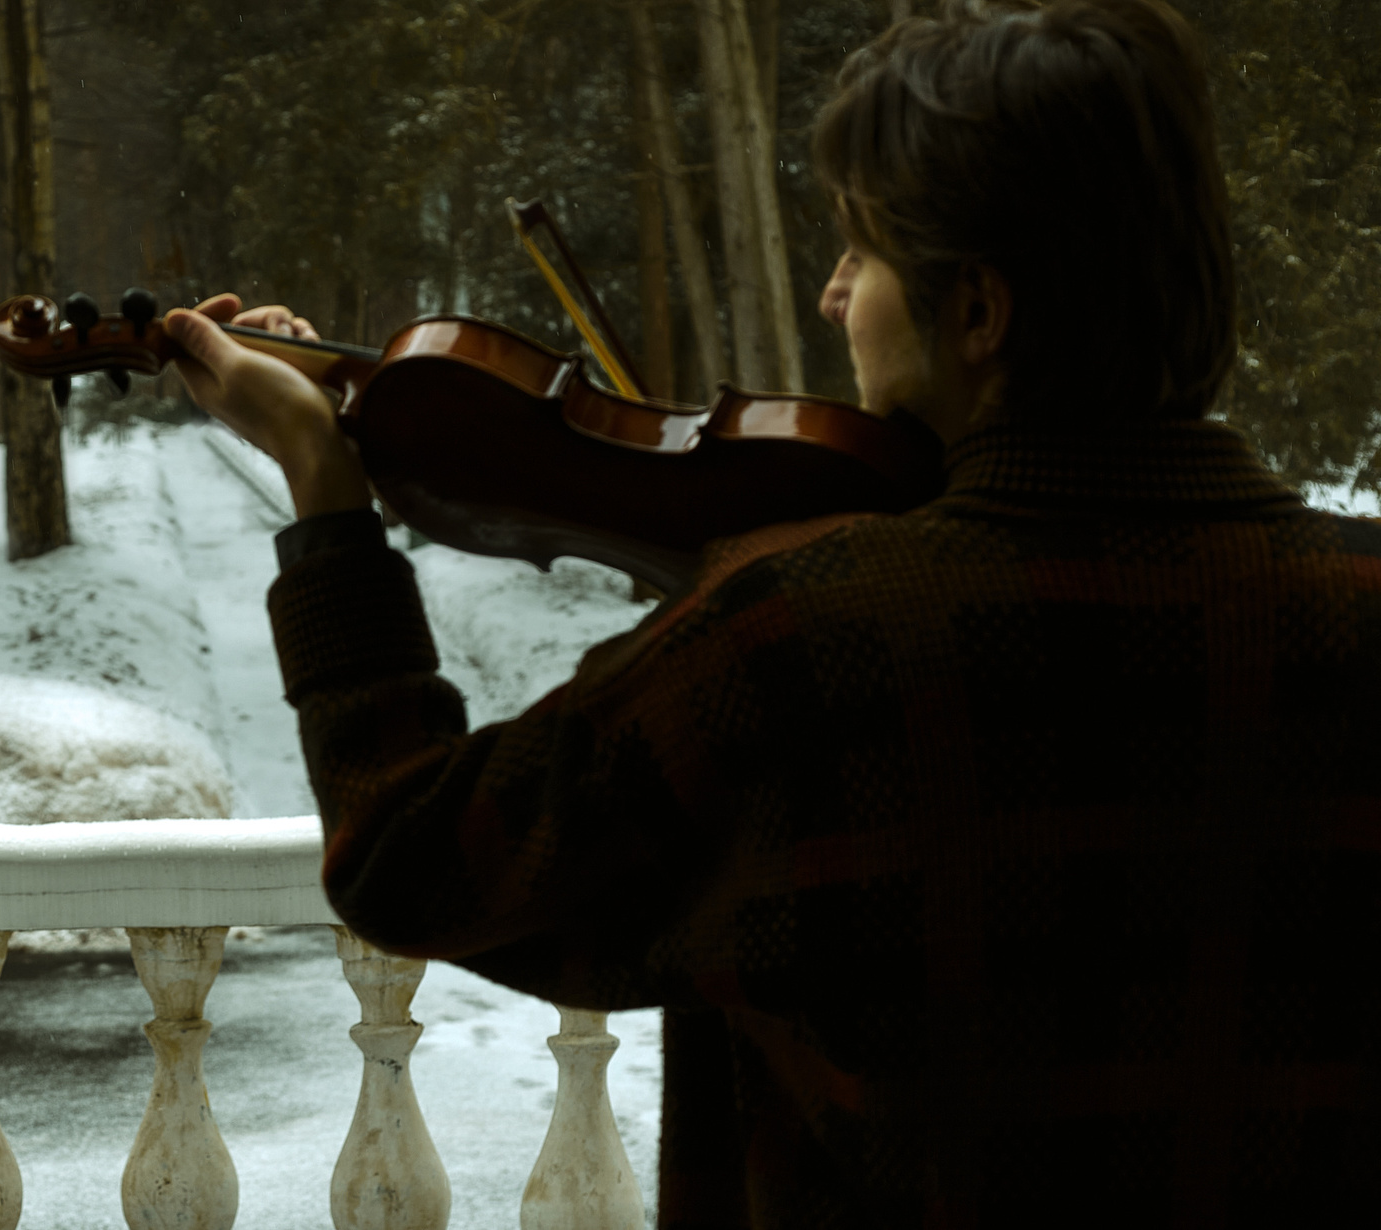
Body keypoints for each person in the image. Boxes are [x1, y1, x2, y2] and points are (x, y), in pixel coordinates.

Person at [164, 1, 1379, 1224]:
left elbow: (411, 860)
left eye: (863, 254)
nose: (833, 299)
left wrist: (327, 501)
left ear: (977, 311)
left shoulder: (808, 639)